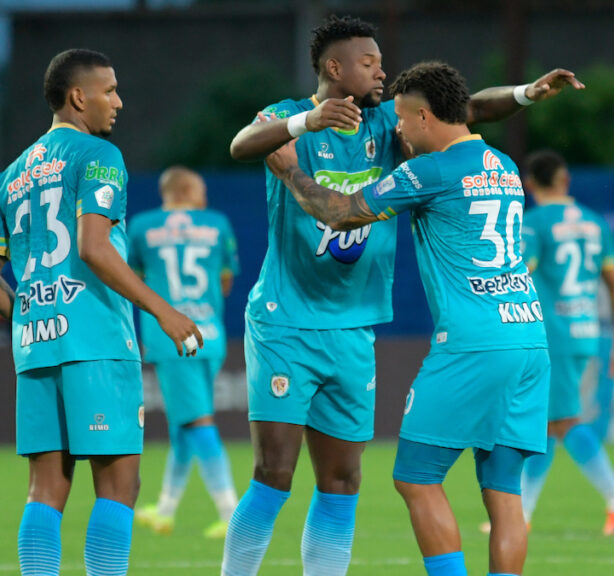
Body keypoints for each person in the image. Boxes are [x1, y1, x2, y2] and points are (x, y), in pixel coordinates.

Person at [222, 15, 582, 576]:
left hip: (356, 324)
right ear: (334, 68)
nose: (382, 71)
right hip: (287, 319)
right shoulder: (289, 116)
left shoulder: (391, 121)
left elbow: (469, 110)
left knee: (342, 481)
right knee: (273, 473)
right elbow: (242, 144)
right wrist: (305, 123)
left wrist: (525, 93)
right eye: (370, 62)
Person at [0, 49, 202, 576]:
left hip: (36, 345)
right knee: (120, 486)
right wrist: (164, 310)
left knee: (46, 489)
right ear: (79, 97)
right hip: (95, 340)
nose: (118, 101)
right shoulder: (98, 156)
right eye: (110, 90)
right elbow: (94, 248)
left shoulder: (10, 176)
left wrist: (27, 315)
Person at [514, 149, 614, 536]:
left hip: (552, 335)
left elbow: (520, 273)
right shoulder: (595, 223)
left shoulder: (533, 224)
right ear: (566, 180)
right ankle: (522, 513)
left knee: (564, 422)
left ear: (529, 185)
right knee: (547, 424)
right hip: (584, 331)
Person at [129, 167, 242, 537]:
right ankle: (165, 510)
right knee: (185, 423)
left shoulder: (143, 226)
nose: (205, 197)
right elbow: (226, 281)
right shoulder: (217, 223)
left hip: (171, 336)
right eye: (201, 189)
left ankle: (231, 513)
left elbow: (130, 278)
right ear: (187, 190)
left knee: (196, 422)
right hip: (210, 333)